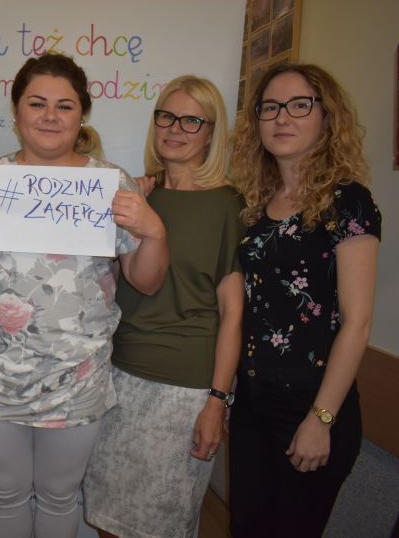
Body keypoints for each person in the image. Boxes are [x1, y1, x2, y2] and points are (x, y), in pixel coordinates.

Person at [0, 53, 169, 538]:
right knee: (5, 492)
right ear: (16, 111)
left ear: (83, 115)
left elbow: (146, 281)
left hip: (77, 375)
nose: (50, 116)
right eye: (37, 104)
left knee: (61, 494)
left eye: (65, 105)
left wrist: (155, 231)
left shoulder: (111, 185)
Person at [82, 75, 245, 538]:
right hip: (117, 376)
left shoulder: (228, 205)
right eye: (167, 116)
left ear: (211, 133)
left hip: (182, 390)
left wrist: (217, 401)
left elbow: (233, 314)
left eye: (192, 120)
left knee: (161, 525)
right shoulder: (135, 195)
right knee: (106, 517)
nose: (175, 128)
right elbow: (113, 284)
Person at [229, 63, 381, 537]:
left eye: (299, 105)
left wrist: (321, 419)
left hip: (313, 405)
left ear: (326, 116)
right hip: (252, 404)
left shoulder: (348, 201)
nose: (282, 117)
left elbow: (357, 322)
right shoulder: (254, 205)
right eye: (270, 107)